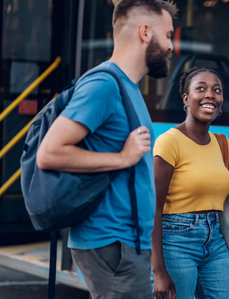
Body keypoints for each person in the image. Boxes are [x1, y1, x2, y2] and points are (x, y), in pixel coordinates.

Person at [36, 1, 177, 298]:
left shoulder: (127, 86)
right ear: (145, 32)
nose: (171, 46)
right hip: (111, 243)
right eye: (168, 35)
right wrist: (122, 157)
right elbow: (49, 153)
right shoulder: (104, 85)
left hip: (125, 243)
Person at [151, 67, 229, 299]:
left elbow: (223, 201)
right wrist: (158, 270)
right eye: (201, 88)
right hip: (175, 241)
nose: (210, 94)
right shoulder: (169, 142)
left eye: (216, 90)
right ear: (186, 98)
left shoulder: (222, 143)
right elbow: (153, 207)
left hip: (215, 241)